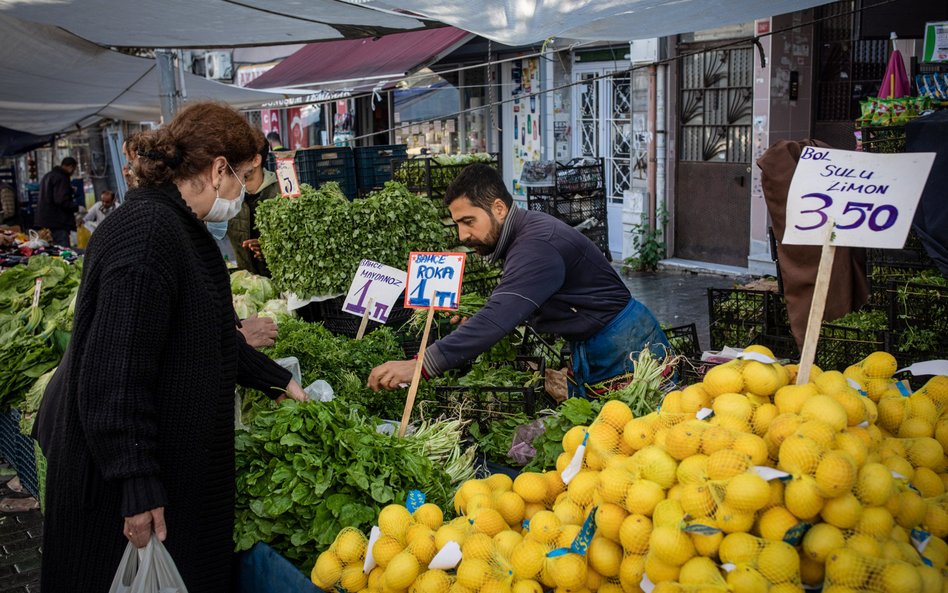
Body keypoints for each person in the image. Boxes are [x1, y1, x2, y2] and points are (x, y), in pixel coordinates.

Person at [35, 101, 308, 593]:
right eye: (243, 178)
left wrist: (277, 378)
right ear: (217, 169)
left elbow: (203, 332)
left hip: (171, 472)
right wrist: (135, 482)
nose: (242, 196)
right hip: (119, 500)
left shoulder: (174, 227)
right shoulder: (147, 235)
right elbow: (112, 374)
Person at [368, 164, 670, 397]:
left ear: (498, 209)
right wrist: (475, 319)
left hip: (624, 346)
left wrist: (421, 365)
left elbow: (499, 315)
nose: (462, 235)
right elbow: (519, 305)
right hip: (601, 341)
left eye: (468, 221)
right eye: (458, 224)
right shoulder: (525, 235)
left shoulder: (536, 245)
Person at [225, 129, 278, 276]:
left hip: (280, 288)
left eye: (238, 158)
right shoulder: (228, 196)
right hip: (247, 286)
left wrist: (271, 250)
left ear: (256, 160)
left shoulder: (281, 194)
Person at [35, 156, 78, 246]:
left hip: (45, 220)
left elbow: (51, 195)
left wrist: (69, 190)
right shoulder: (62, 178)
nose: (73, 172)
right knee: (63, 251)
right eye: (74, 169)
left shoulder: (48, 175)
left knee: (50, 249)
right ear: (70, 167)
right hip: (58, 221)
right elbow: (61, 200)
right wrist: (76, 207)